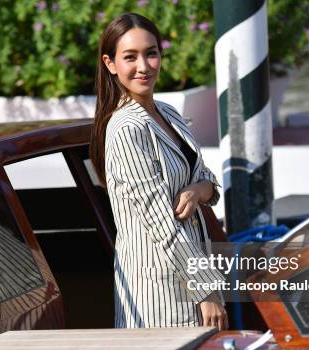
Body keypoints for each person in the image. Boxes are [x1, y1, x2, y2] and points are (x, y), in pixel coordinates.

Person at [90, 12, 228, 330]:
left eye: (151, 53)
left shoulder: (168, 112)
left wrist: (198, 191)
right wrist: (206, 289)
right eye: (130, 57)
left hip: (195, 271)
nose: (144, 66)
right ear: (110, 63)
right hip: (159, 293)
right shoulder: (125, 127)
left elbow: (204, 175)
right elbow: (160, 219)